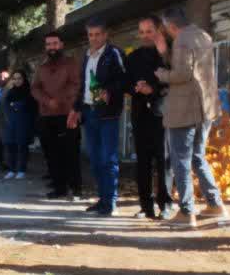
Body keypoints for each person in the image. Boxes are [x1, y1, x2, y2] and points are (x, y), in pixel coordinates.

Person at [156, 8, 226, 227]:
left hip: (186, 109)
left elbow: (182, 74)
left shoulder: (181, 40)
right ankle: (215, 204)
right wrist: (164, 52)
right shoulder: (202, 35)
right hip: (206, 107)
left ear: (171, 26)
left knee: (181, 160)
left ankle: (187, 212)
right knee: (197, 156)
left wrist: (161, 74)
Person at [72, 17, 125, 216]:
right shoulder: (86, 55)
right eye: (90, 35)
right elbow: (84, 85)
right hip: (89, 111)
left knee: (108, 158)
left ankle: (110, 202)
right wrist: (76, 108)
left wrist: (109, 91)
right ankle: (102, 199)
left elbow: (123, 80)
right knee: (94, 158)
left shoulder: (114, 54)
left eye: (97, 35)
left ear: (105, 35)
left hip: (107, 114)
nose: (93, 38)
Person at [125, 15, 172, 219]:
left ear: (158, 30)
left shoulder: (167, 54)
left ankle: (166, 205)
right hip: (139, 112)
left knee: (164, 160)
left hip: (163, 112)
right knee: (142, 160)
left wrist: (151, 90)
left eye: (149, 31)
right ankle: (146, 206)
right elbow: (124, 81)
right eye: (142, 32)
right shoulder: (133, 57)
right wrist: (136, 88)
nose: (145, 36)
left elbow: (174, 79)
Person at [32, 31, 82, 200]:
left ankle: (76, 188)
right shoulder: (42, 66)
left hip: (67, 114)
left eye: (54, 44)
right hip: (46, 115)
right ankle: (59, 187)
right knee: (51, 153)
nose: (51, 47)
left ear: (61, 45)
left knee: (70, 152)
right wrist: (47, 101)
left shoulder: (71, 63)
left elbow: (75, 85)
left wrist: (58, 99)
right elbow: (35, 88)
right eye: (48, 44)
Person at [1, 69, 35, 180]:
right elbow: (6, 105)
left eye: (19, 78)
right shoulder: (10, 92)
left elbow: (27, 106)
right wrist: (15, 106)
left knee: (22, 146)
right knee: (10, 146)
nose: (17, 81)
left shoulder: (29, 92)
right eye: (14, 78)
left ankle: (21, 170)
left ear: (24, 79)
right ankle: (11, 169)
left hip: (23, 123)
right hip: (11, 123)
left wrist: (15, 105)